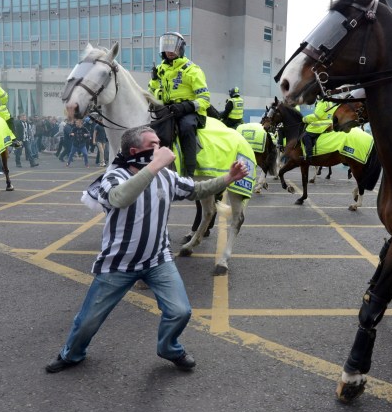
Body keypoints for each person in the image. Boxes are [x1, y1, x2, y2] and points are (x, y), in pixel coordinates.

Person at [45, 125, 250, 374]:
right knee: (88, 320)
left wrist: (228, 178)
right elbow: (120, 198)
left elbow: (197, 190)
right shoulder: (114, 176)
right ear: (134, 151)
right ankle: (71, 354)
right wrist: (154, 166)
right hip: (119, 264)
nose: (161, 148)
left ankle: (169, 348)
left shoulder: (167, 176)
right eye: (153, 145)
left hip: (158, 260)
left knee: (180, 311)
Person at [148, 32, 211, 176]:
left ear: (180, 49)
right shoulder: (160, 70)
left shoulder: (193, 70)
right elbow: (151, 92)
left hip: (190, 112)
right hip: (168, 109)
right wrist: (154, 80)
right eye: (166, 48)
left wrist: (186, 106)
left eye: (173, 48)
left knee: (186, 127)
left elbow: (205, 99)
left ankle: (189, 172)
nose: (169, 51)